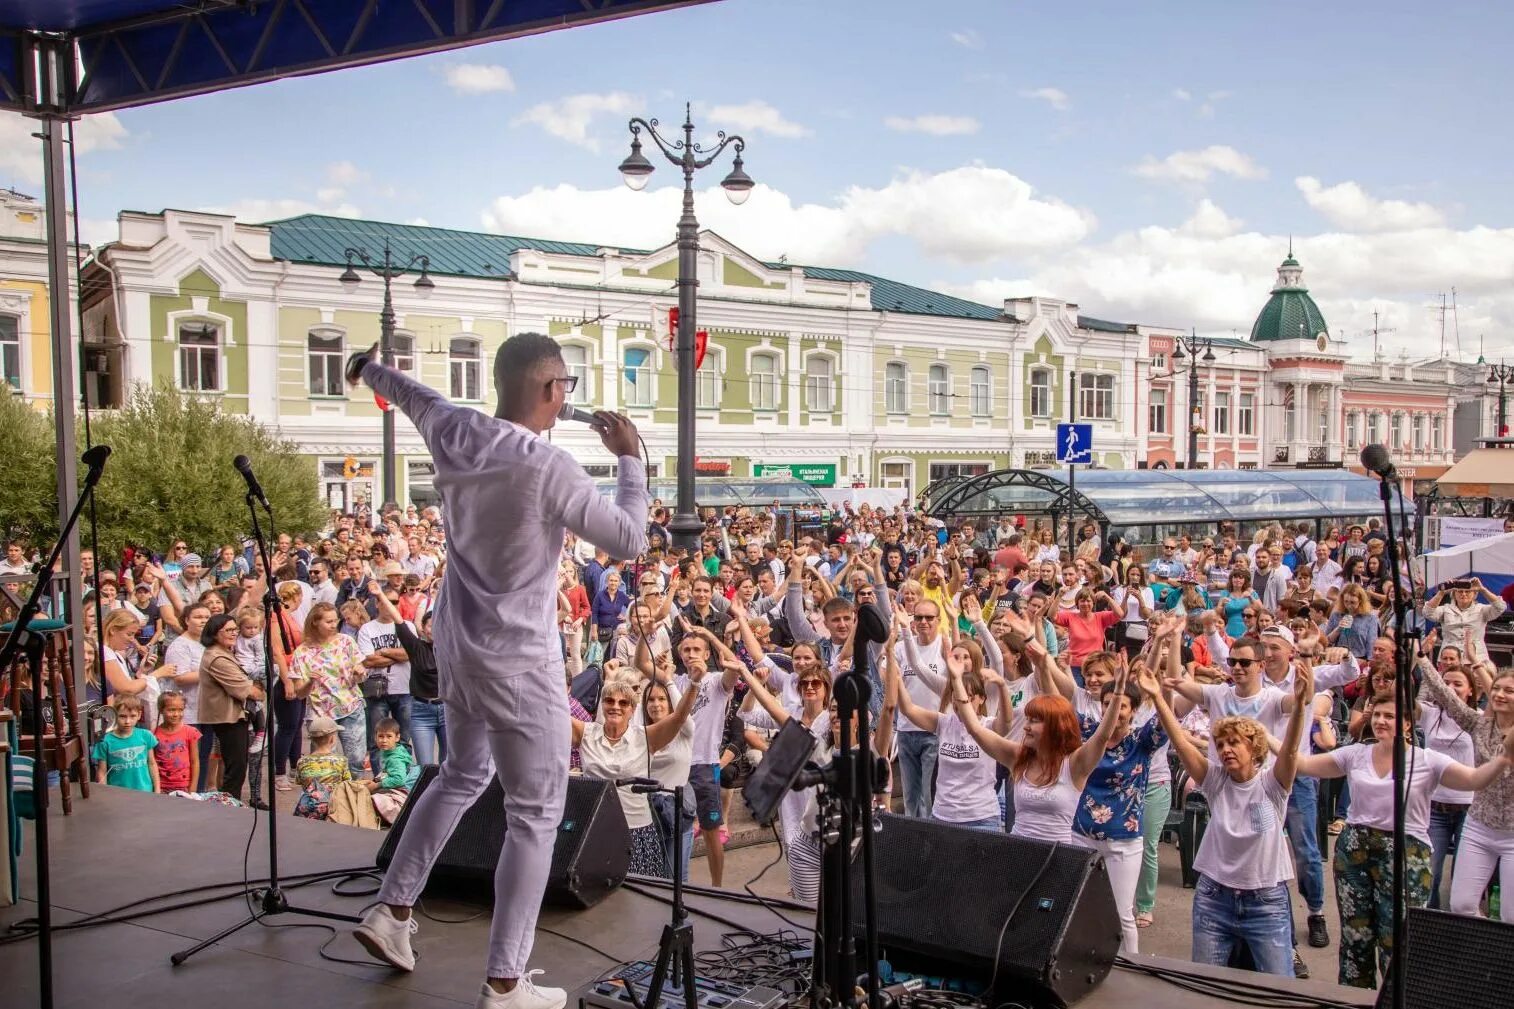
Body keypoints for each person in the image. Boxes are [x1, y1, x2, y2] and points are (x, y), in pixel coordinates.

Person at [348, 332, 648, 1009]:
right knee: (535, 815)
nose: (565, 397)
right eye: (564, 386)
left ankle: (392, 912)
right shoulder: (550, 467)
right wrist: (630, 461)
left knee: (459, 774)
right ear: (551, 390)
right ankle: (505, 982)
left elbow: (408, 391)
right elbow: (628, 540)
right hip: (520, 662)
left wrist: (366, 366)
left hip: (459, 645)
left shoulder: (453, 426)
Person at [1295, 693, 1514, 988]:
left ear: (1408, 724)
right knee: (1355, 937)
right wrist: (1267, 739)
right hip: (1355, 851)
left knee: (1396, 938)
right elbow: (1304, 765)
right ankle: (1355, 997)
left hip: (1406, 853)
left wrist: (1505, 758)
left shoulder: (1428, 760)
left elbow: (1473, 780)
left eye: (1390, 716)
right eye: (1378, 715)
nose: (1381, 721)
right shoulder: (1355, 753)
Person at [1142, 651, 1311, 975]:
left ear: (1255, 749)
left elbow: (1289, 750)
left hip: (1266, 902)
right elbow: (1179, 741)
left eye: (1235, 743)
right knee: (1207, 986)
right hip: (1213, 898)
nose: (1226, 750)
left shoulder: (1273, 785)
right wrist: (1157, 697)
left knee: (1278, 989)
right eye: (1221, 745)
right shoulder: (1216, 781)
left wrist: (1301, 704)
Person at [1415, 651, 1514, 922]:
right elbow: (1446, 696)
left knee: (1510, 916)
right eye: (1497, 689)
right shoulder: (1478, 724)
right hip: (1479, 825)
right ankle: (1483, 951)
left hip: (1513, 834)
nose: (1501, 695)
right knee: (1460, 906)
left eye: (1509, 690)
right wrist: (1421, 657)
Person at [571, 672, 703, 875]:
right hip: (595, 829)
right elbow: (552, 711)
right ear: (603, 705)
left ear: (632, 710)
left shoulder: (645, 737)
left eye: (623, 703)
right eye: (610, 701)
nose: (616, 706)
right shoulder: (586, 732)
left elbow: (679, 718)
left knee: (638, 896)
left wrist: (694, 683)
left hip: (637, 830)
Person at [291, 602, 370, 775]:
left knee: (356, 760)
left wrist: (360, 672)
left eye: (335, 620)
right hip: (321, 713)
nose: (334, 625)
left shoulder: (346, 641)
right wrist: (310, 681)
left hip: (350, 706)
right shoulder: (302, 652)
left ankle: (354, 797)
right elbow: (299, 693)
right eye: (328, 621)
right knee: (324, 765)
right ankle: (326, 799)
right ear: (315, 622)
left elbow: (361, 674)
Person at [197, 613, 267, 806]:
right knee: (235, 768)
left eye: (235, 629)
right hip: (227, 718)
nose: (234, 633)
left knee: (236, 766)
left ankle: (230, 804)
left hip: (235, 716)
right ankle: (230, 807)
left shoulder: (226, 652)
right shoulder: (217, 658)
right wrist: (257, 689)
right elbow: (249, 691)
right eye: (228, 630)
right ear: (214, 633)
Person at [1422, 577, 1506, 664]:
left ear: (1474, 594)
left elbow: (1500, 607)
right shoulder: (1445, 609)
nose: (1464, 594)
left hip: (1476, 658)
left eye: (1468, 591)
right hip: (1449, 659)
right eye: (1460, 591)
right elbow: (1427, 612)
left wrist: (1482, 589)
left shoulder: (1482, 609)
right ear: (1454, 594)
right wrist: (1441, 592)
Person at [91, 695, 160, 792]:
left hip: (145, 792)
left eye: (132, 716)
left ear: (139, 715)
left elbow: (152, 763)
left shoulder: (146, 736)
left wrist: (157, 790)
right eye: (122, 716)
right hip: (118, 794)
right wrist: (105, 795)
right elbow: (102, 771)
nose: (127, 721)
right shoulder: (105, 741)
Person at [294, 716, 353, 820]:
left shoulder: (302, 761)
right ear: (332, 738)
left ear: (311, 739)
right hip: (332, 807)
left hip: (308, 807)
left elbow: (302, 784)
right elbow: (347, 783)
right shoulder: (341, 761)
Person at [152, 692, 201, 794]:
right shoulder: (154, 734)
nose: (176, 714)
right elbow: (152, 763)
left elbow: (194, 761)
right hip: (161, 787)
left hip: (184, 787)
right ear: (161, 710)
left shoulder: (190, 732)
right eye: (171, 710)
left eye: (180, 710)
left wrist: (193, 789)